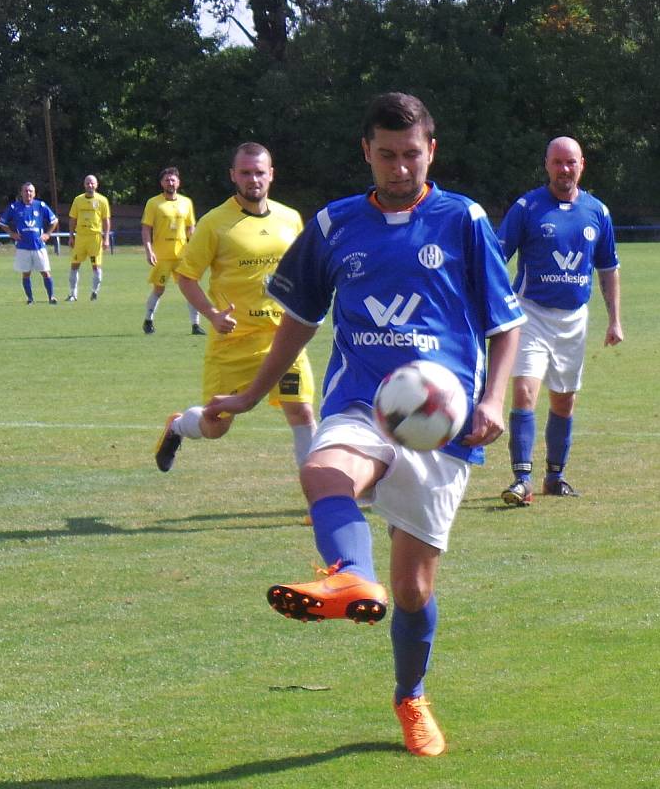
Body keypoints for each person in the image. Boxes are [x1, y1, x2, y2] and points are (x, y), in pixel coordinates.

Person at [202, 94, 525, 757]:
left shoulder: (462, 219)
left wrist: (492, 402)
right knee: (322, 469)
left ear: (430, 150)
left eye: (411, 154)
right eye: (386, 154)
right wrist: (248, 394)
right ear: (366, 152)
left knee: (411, 590)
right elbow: (298, 321)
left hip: (443, 423)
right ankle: (348, 570)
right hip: (364, 403)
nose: (399, 167)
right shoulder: (332, 225)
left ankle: (410, 696)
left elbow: (505, 324)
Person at [154, 142, 316, 478]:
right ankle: (179, 426)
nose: (253, 179)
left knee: (301, 412)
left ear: (271, 175)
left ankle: (319, 501)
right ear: (233, 176)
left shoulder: (291, 219)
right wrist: (212, 314)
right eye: (245, 172)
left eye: (259, 172)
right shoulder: (215, 222)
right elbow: (186, 277)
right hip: (233, 343)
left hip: (283, 340)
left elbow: (302, 272)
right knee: (216, 426)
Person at [498, 136, 623, 507]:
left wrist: (615, 319)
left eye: (570, 162)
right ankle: (521, 480)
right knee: (524, 392)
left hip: (574, 320)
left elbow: (608, 268)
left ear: (581, 164)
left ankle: (555, 476)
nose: (564, 169)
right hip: (530, 313)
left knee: (564, 401)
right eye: (557, 162)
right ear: (547, 164)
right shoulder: (527, 207)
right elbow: (496, 256)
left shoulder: (597, 212)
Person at [141, 166, 204, 334]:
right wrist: (149, 250)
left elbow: (191, 228)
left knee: (191, 288)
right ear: (162, 183)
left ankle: (195, 325)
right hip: (162, 256)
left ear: (178, 182)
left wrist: (195, 249)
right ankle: (148, 320)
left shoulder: (186, 202)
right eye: (167, 180)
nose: (170, 182)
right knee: (159, 290)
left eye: (173, 180)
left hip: (182, 255)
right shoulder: (154, 203)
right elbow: (146, 228)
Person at [0, 182, 58, 304]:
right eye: (25, 191)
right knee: (26, 273)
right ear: (21, 193)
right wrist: (11, 233)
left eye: (30, 191)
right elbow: (2, 222)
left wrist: (47, 234)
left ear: (34, 193)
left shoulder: (40, 205)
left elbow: (54, 220)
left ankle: (51, 297)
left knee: (45, 272)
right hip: (23, 247)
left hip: (39, 246)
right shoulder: (14, 207)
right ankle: (30, 299)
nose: (28, 193)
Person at [66, 175, 111, 301]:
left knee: (96, 266)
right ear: (84, 185)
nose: (90, 185)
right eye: (87, 183)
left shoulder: (102, 200)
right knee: (74, 265)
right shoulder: (78, 200)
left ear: (96, 185)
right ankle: (73, 294)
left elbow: (106, 220)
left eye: (92, 183)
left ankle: (94, 292)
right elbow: (72, 219)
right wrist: (71, 236)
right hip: (80, 237)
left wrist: (106, 238)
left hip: (95, 237)